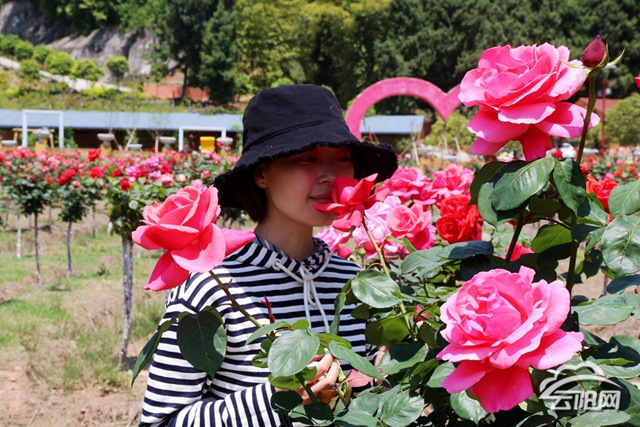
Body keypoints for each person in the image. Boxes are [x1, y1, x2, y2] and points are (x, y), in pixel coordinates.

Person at [139, 84, 398, 427]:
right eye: (307, 158)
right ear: (261, 173)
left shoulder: (354, 282)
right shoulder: (210, 287)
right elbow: (160, 422)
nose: (330, 175)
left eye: (342, 159)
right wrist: (272, 400)